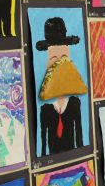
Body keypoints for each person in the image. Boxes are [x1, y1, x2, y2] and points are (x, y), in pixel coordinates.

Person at [36, 17, 87, 156]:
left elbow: (79, 137)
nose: (60, 66)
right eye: (53, 60)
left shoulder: (75, 103)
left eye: (64, 58)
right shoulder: (45, 109)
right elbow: (42, 145)